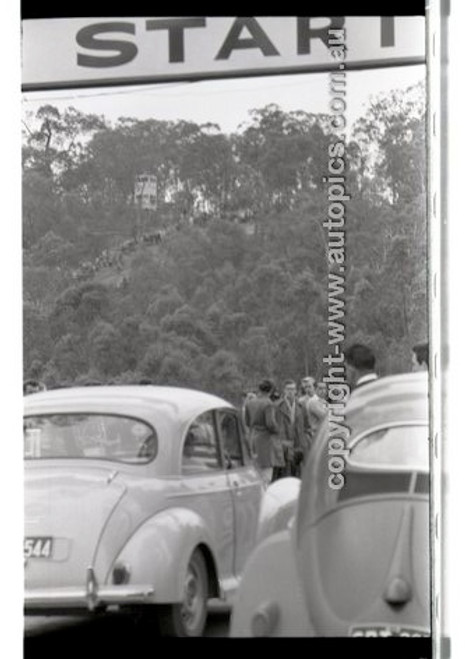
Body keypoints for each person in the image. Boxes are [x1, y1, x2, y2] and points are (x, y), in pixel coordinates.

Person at [245, 379, 283, 487]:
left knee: (254, 471)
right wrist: (278, 430)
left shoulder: (249, 403)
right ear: (270, 391)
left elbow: (247, 422)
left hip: (252, 438)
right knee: (266, 475)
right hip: (265, 441)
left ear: (259, 389)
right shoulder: (268, 404)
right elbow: (270, 424)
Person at [274, 380, 306, 480]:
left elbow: (307, 426)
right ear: (284, 390)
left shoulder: (301, 406)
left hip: (298, 446)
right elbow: (274, 427)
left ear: (296, 391)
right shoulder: (277, 406)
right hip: (284, 446)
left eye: (292, 389)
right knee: (285, 476)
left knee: (298, 475)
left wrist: (303, 442)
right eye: (288, 389)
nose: (290, 391)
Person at [299, 376, 327, 455]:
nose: (307, 389)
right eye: (305, 387)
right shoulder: (301, 401)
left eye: (309, 386)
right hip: (311, 434)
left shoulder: (321, 400)